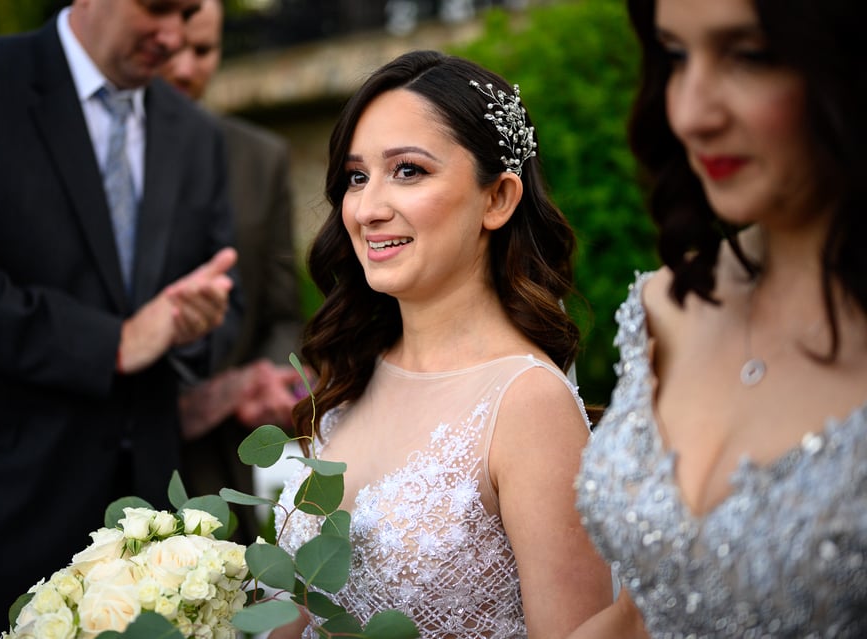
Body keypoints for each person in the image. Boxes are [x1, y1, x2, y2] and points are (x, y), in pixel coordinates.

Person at [0, 1, 241, 637]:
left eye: (190, 11)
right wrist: (110, 343)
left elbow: (231, 306)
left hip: (142, 526)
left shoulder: (197, 134)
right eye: (158, 7)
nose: (174, 37)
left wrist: (194, 327)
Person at [271, 50, 613, 638]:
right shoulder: (350, 375)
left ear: (497, 199)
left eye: (408, 170)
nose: (368, 209)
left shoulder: (528, 405)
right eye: (357, 177)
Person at [572, 0, 867, 636]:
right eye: (676, 56)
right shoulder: (664, 308)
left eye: (750, 56)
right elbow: (638, 614)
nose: (689, 114)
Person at [159, 0, 304, 544]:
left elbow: (284, 312)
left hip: (215, 472)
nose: (185, 69)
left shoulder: (259, 157)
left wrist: (265, 380)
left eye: (203, 51)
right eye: (172, 51)